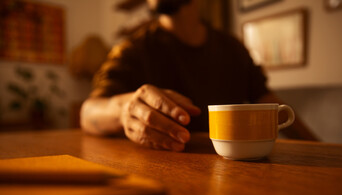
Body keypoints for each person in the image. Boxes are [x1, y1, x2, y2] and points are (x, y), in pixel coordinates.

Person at [81, 0, 318, 152]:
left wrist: (321, 149)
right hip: (161, 173)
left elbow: (268, 101)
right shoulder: (131, 50)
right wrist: (123, 110)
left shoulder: (232, 48)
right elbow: (88, 112)